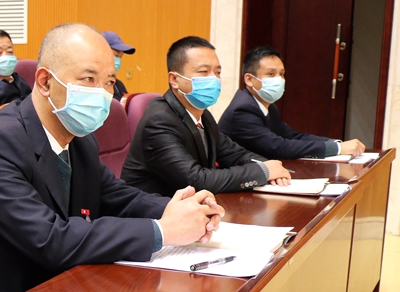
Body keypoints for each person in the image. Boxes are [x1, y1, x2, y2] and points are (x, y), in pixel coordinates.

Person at [0, 23, 223, 292]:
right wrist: (163, 231)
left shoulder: (80, 140)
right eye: (88, 79)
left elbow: (117, 196)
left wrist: (182, 209)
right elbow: (50, 239)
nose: (102, 94)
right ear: (44, 82)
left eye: (108, 82)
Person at [121, 36, 292, 195]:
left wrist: (269, 166)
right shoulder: (159, 121)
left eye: (217, 72)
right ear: (174, 79)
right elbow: (197, 180)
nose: (214, 79)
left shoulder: (203, 115)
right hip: (153, 210)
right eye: (204, 72)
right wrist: (263, 171)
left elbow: (234, 154)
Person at [218, 46, 366, 160]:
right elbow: (278, 147)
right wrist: (338, 149)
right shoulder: (242, 110)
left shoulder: (268, 107)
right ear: (249, 79)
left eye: (281, 74)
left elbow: (293, 136)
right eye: (271, 74)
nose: (279, 80)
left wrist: (336, 144)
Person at [102, 31, 135, 101]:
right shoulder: (93, 86)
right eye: (116, 55)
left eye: (120, 56)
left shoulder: (118, 85)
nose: (118, 60)